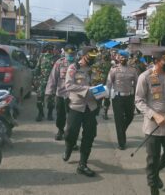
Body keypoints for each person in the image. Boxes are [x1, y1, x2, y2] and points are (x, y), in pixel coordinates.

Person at [135, 49, 165, 195]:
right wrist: (154, 115)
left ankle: (154, 172)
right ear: (156, 61)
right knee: (152, 159)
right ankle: (153, 186)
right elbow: (139, 101)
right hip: (153, 126)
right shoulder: (144, 77)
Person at [63, 46, 99, 177]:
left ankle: (82, 164)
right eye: (90, 57)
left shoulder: (95, 69)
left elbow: (100, 84)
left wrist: (103, 92)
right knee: (70, 133)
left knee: (89, 135)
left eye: (94, 57)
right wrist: (86, 90)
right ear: (83, 56)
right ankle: (69, 147)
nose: (92, 59)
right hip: (76, 106)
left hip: (91, 107)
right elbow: (68, 85)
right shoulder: (74, 68)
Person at [107, 49, 138, 150]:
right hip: (117, 98)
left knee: (130, 116)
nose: (122, 58)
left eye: (124, 57)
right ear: (118, 58)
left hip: (129, 97)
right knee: (119, 120)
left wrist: (137, 97)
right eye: (120, 57)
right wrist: (106, 97)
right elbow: (109, 84)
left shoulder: (133, 70)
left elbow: (137, 84)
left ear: (127, 58)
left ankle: (121, 131)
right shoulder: (114, 69)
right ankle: (122, 142)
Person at [45, 44, 76, 141]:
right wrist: (49, 92)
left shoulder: (78, 64)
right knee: (60, 114)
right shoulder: (59, 63)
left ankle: (71, 135)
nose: (70, 55)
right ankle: (60, 130)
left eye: (72, 53)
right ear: (65, 53)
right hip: (61, 94)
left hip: (74, 95)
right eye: (68, 53)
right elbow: (53, 78)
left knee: (73, 117)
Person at [34, 43, 57, 122]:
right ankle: (40, 113)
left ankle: (50, 114)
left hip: (52, 82)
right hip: (42, 81)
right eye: (48, 48)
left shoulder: (56, 58)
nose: (49, 50)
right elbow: (37, 68)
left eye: (51, 48)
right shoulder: (41, 56)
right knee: (39, 98)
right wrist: (35, 80)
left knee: (51, 99)